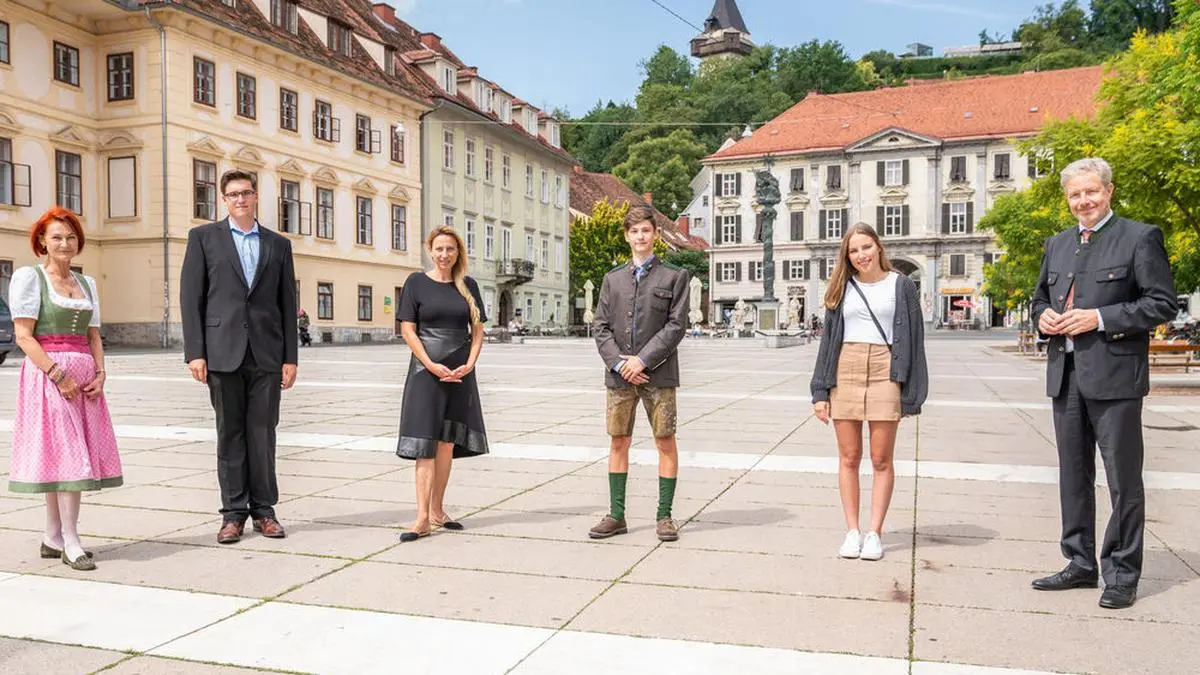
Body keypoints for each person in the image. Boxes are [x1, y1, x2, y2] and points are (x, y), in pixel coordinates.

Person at [1029, 157, 1176, 610]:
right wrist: (1043, 318)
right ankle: (1079, 563)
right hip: (1066, 376)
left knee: (1122, 480)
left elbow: (1161, 303)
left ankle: (1122, 572)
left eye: (1091, 192)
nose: (1083, 201)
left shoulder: (1139, 237)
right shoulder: (1057, 244)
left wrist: (1097, 317)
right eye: (1075, 194)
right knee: (1073, 476)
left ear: (1109, 191)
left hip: (1116, 379)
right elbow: (1038, 298)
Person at [180, 170, 298, 544]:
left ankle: (264, 510)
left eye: (246, 193)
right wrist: (195, 352)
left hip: (266, 353)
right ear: (223, 200)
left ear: (256, 196)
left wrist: (290, 358)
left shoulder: (278, 245)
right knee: (229, 435)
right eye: (233, 194)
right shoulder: (203, 239)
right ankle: (232, 514)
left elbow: (287, 304)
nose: (240, 200)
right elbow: (191, 299)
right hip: (222, 352)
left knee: (263, 435)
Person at [8, 207, 122, 571]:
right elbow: (24, 337)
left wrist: (101, 373)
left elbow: (93, 336)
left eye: (70, 237)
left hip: (85, 379)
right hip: (48, 378)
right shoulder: (30, 278)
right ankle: (72, 540)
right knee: (69, 456)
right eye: (56, 236)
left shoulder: (86, 284)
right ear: (42, 241)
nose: (64, 243)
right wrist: (58, 374)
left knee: (70, 454)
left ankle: (53, 535)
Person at [810, 223, 927, 561]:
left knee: (880, 458)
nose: (860, 255)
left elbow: (915, 340)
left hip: (885, 369)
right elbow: (827, 342)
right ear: (847, 255)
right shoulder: (842, 288)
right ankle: (852, 531)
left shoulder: (901, 285)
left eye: (866, 247)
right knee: (848, 457)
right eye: (853, 250)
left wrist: (911, 392)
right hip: (845, 367)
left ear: (878, 247)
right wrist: (820, 390)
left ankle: (875, 532)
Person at [589, 206, 690, 542]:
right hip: (619, 377)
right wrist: (620, 363)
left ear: (655, 234)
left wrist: (642, 360)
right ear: (627, 236)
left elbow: (677, 326)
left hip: (658, 376)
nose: (641, 237)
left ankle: (665, 515)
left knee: (665, 441)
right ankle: (616, 515)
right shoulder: (612, 279)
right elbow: (600, 326)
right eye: (634, 231)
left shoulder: (674, 277)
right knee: (619, 441)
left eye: (646, 230)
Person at [395, 226, 489, 542]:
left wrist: (470, 363)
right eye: (439, 249)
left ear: (458, 252)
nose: (444, 255)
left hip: (460, 373)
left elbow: (477, 331)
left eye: (450, 249)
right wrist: (430, 364)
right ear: (430, 250)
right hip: (425, 372)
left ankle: (438, 510)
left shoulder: (468, 285)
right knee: (425, 443)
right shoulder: (416, 283)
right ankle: (421, 517)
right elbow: (408, 329)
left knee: (447, 443)